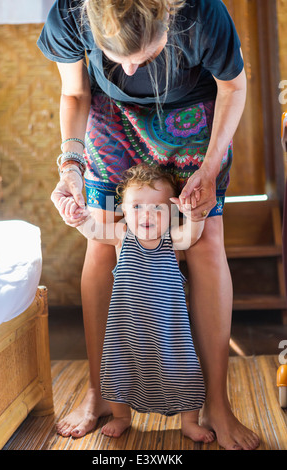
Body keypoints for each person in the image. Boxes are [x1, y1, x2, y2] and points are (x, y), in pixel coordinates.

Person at [37, 0, 260, 449]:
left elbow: (233, 88)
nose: (133, 67)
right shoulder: (67, 13)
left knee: (205, 240)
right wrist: (71, 165)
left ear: (167, 17)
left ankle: (215, 401)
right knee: (102, 241)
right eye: (119, 58)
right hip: (110, 118)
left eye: (148, 54)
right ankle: (101, 392)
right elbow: (77, 93)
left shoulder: (202, 15)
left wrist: (211, 167)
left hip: (196, 115)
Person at [67, 163, 214, 441]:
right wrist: (78, 217)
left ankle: (189, 421)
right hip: (127, 331)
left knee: (183, 372)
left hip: (169, 332)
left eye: (157, 208)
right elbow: (93, 231)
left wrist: (194, 215)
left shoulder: (172, 238)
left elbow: (192, 235)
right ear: (123, 209)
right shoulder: (122, 236)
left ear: (171, 211)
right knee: (119, 371)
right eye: (136, 207)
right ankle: (122, 416)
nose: (146, 214)